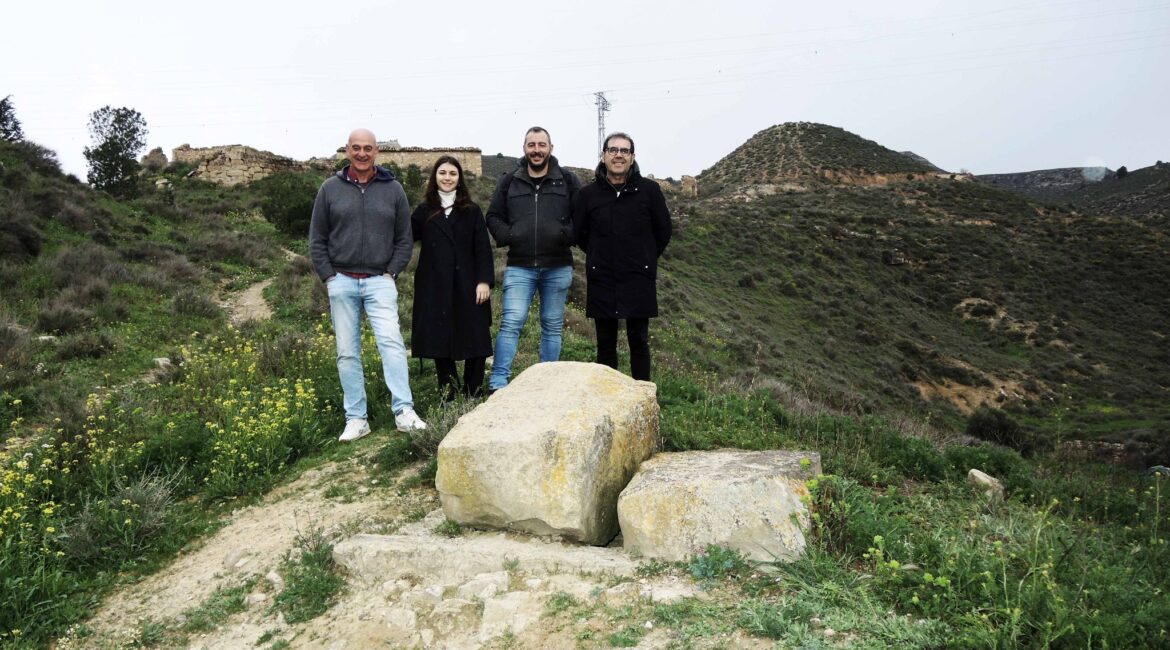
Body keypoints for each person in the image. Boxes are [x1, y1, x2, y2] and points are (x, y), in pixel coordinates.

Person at [309, 128, 427, 441]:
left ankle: (404, 410)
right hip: (342, 281)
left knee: (392, 344)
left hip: (380, 281)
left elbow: (404, 238)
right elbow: (317, 238)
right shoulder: (329, 189)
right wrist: (329, 276)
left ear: (377, 152)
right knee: (347, 352)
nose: (362, 153)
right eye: (356, 148)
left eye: (368, 148)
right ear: (347, 150)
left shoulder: (394, 190)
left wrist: (391, 272)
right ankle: (356, 418)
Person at [485, 126, 580, 391]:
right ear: (524, 148)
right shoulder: (509, 180)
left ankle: (545, 383)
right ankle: (498, 381)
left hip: (558, 265)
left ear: (551, 147)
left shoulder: (568, 180)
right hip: (520, 266)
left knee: (551, 326)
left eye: (541, 145)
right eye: (531, 145)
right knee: (511, 322)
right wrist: (510, 235)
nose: (536, 150)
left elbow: (582, 217)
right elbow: (492, 216)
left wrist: (565, 234)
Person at [572, 132, 672, 381]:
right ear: (604, 155)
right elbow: (580, 233)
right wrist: (599, 255)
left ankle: (642, 397)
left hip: (639, 276)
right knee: (605, 344)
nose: (618, 155)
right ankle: (609, 399)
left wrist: (645, 257)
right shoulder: (588, 195)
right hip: (602, 277)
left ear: (632, 157)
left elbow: (663, 230)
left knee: (639, 341)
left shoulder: (649, 191)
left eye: (624, 151)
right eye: (613, 150)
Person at [410, 156, 493, 400]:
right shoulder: (424, 210)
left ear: (459, 179)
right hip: (435, 286)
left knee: (476, 337)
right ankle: (448, 393)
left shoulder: (472, 210)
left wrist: (484, 281)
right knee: (439, 337)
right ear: (435, 176)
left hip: (469, 284)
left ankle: (473, 391)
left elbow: (482, 248)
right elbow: (404, 237)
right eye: (443, 173)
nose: (447, 178)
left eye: (453, 174)